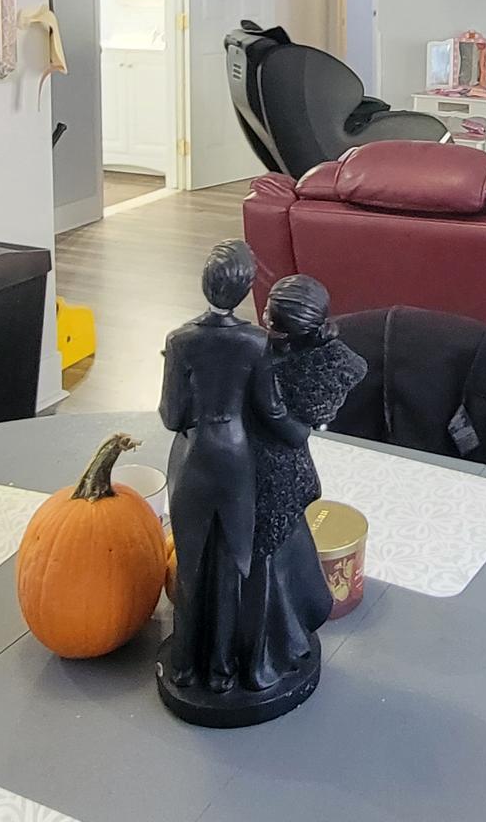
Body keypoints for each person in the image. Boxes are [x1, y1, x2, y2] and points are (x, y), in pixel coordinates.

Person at [159, 241, 307, 697]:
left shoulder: (180, 341)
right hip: (237, 460)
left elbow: (170, 415)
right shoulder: (255, 343)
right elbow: (271, 410)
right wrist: (299, 431)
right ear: (246, 290)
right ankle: (223, 670)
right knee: (233, 564)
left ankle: (185, 663)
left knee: (190, 562)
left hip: (195, 458)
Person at [238, 275, 367, 688]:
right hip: (252, 469)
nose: (263, 326)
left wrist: (270, 407)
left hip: (278, 472)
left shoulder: (321, 367)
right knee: (277, 556)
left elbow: (297, 432)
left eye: (271, 323)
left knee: (265, 563)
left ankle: (267, 652)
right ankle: (281, 633)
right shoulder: (262, 353)